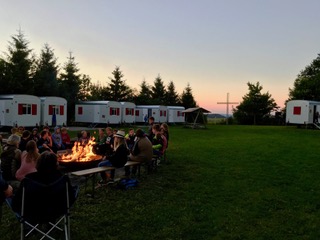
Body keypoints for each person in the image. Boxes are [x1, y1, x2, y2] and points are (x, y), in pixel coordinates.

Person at [11, 152, 78, 214]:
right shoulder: (62, 179)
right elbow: (71, 197)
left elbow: (16, 203)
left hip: (32, 213)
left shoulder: (28, 180)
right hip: (57, 211)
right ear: (56, 165)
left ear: (38, 164)